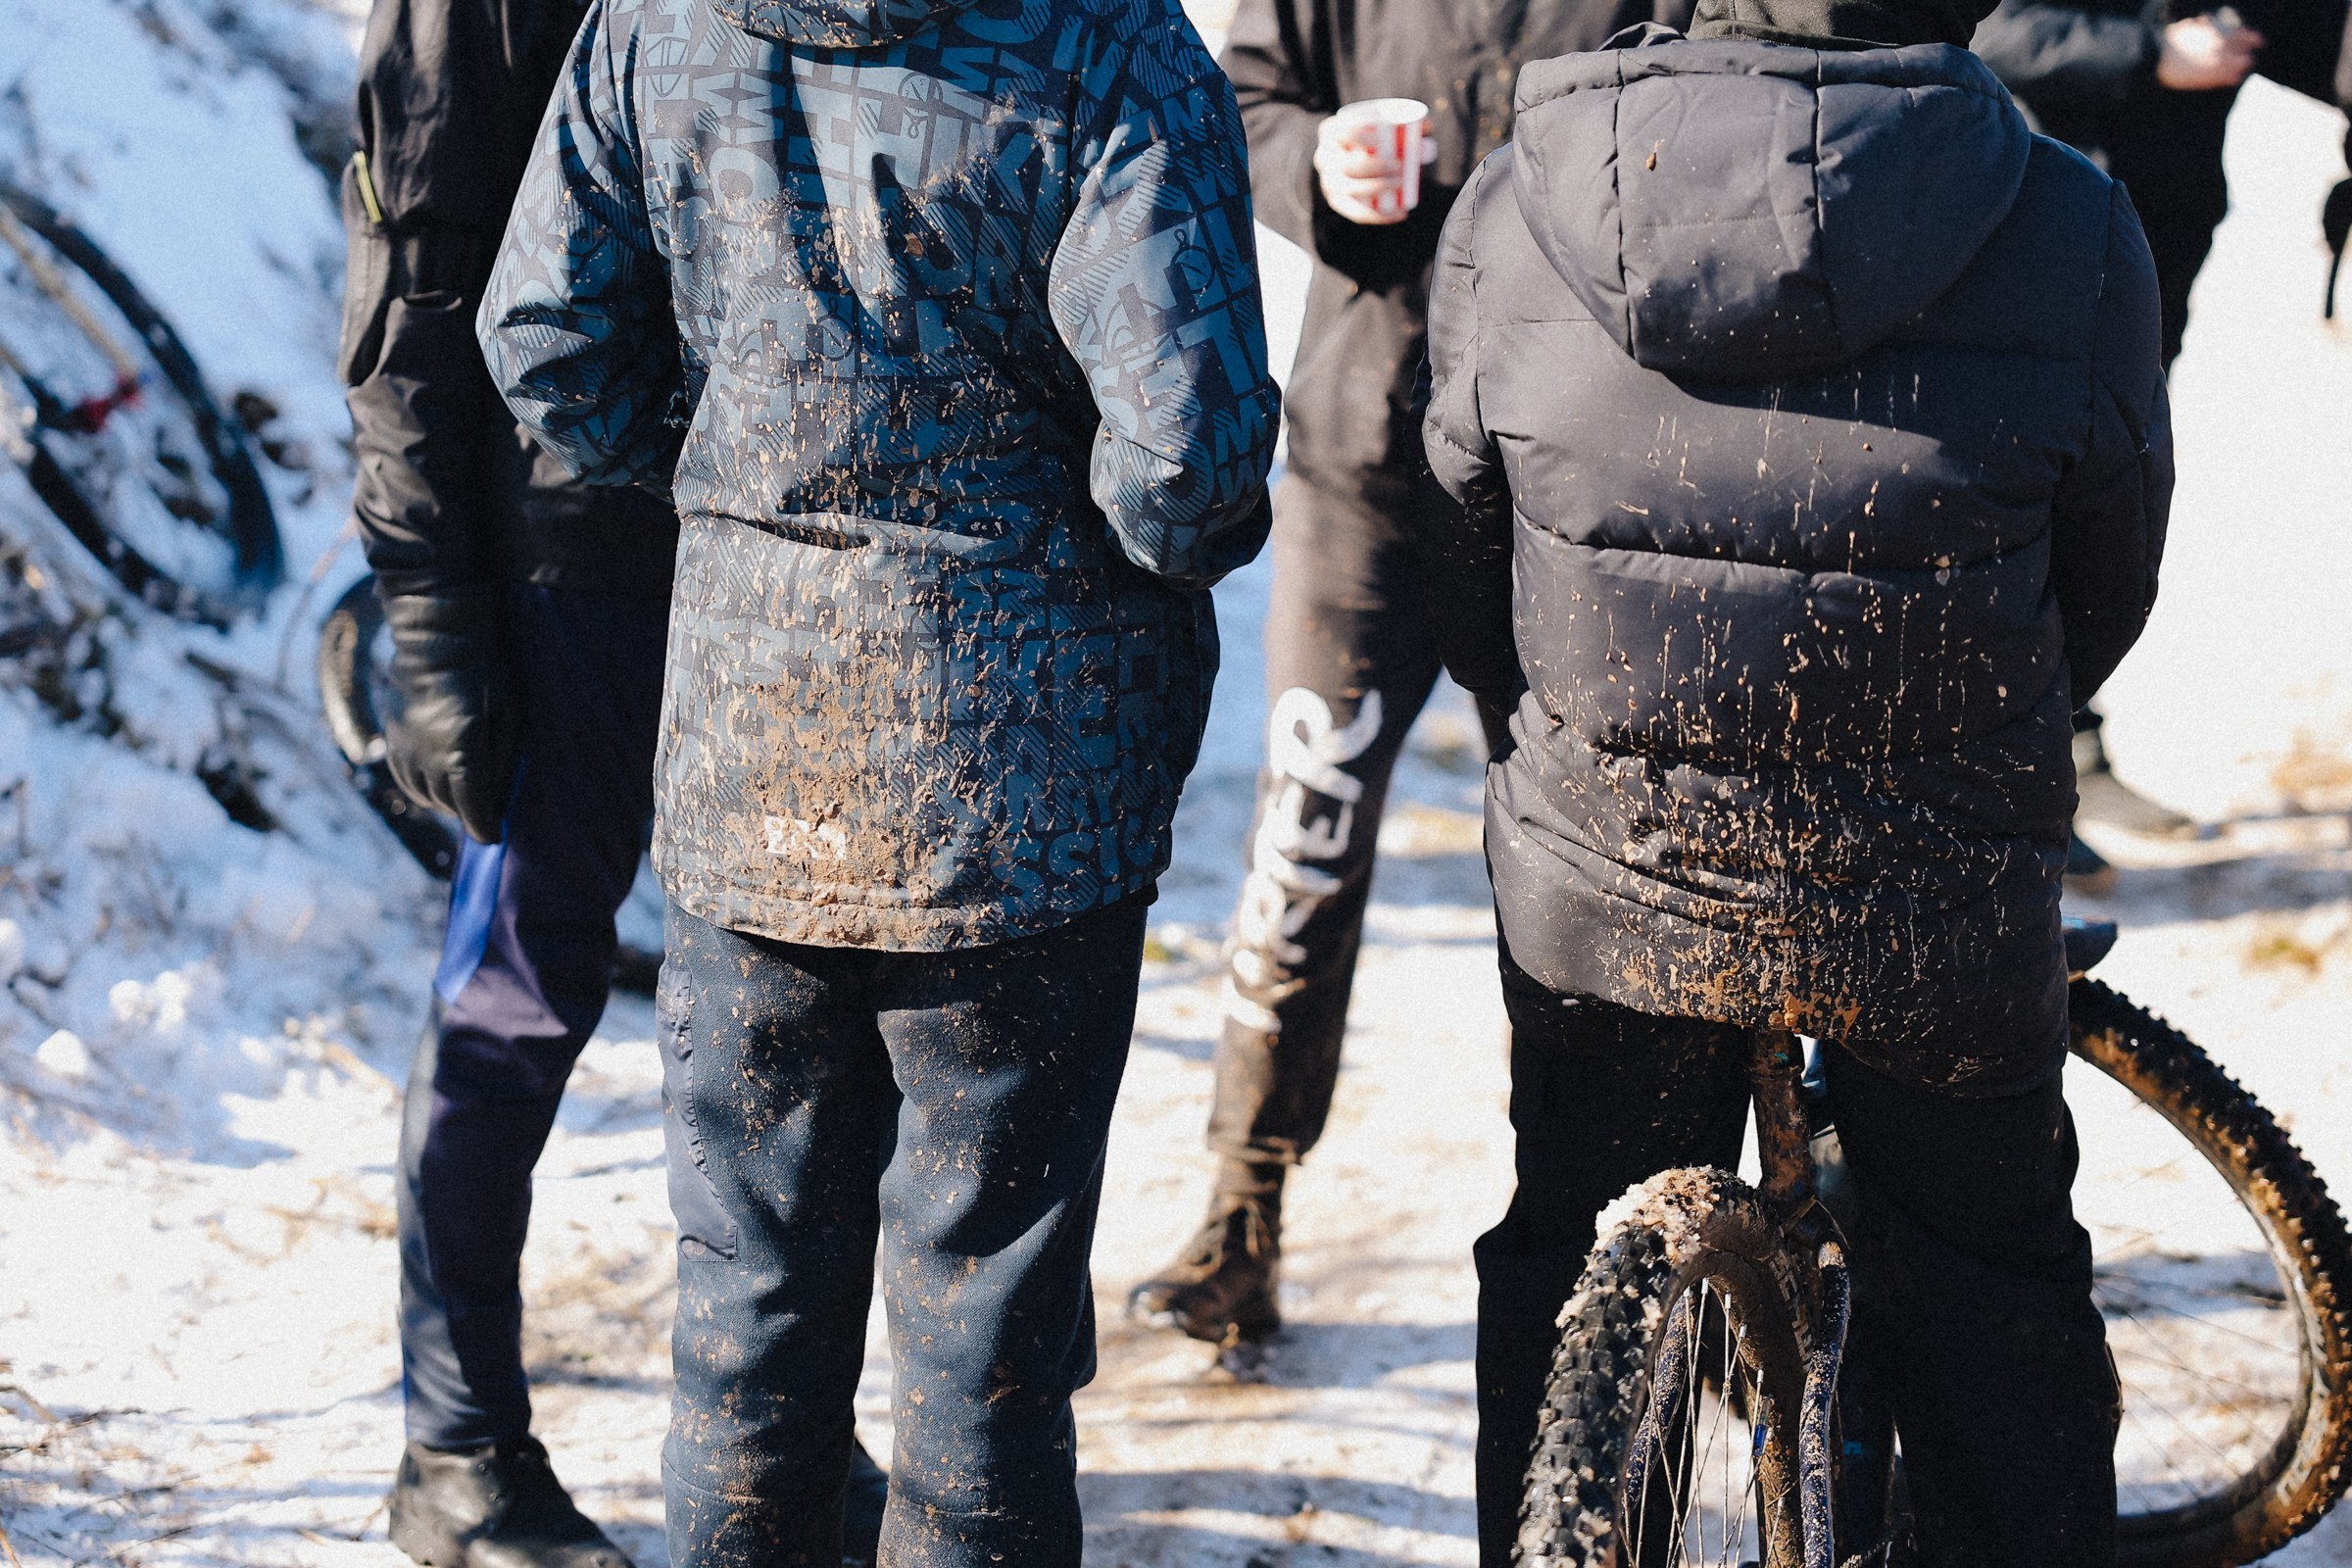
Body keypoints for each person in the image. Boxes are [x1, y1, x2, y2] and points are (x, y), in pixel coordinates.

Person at [477, 0, 1279, 1562]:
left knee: (747, 1324)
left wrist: (751, 497)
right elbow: (1189, 472)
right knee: (983, 1352)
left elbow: (547, 346)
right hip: (1022, 802)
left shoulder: (650, 22)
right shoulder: (1106, 48)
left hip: (750, 765)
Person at [1419, 0, 2173, 1557]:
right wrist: (1969, 735)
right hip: (1934, 878)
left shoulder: (1517, 195)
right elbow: (2105, 578)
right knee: (1987, 1291)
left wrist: (1574, 727)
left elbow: (1464, 549)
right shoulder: (2073, 218)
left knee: (1571, 1270)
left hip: (1612, 871)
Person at [338, 3, 886, 1563]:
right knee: (513, 1004)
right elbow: (408, 300)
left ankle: (779, 1428)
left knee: (804, 1006)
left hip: (791, 547)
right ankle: (456, 1454)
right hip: (564, 569)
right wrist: (435, 616)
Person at [1128, 0, 1696, 1354]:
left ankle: (1609, 1228)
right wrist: (1318, 166)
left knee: (1594, 868)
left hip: (1581, 473)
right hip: (1365, 457)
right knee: (1301, 829)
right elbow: (1241, 95)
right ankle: (1242, 1204)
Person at [1972, 0, 2345, 877]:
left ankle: (2064, 758)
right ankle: (2014, 784)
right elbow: (1989, 28)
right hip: (2033, 221)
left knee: (2109, 506)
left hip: (2152, 237)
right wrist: (2148, 53)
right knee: (2019, 508)